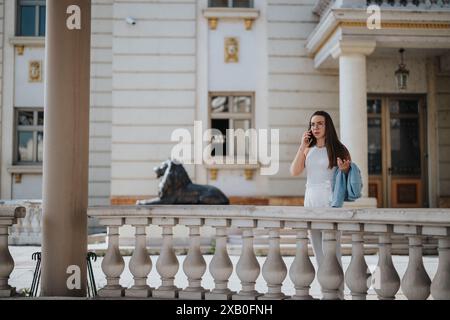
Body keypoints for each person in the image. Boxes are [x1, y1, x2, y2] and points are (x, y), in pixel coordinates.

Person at [290, 110, 351, 299]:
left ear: (328, 126)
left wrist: (345, 169)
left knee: (332, 251)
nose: (315, 127)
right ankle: (327, 291)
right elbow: (294, 171)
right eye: (312, 124)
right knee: (318, 251)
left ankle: (338, 293)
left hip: (330, 201)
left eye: (319, 124)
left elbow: (349, 178)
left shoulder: (340, 149)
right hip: (310, 201)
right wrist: (302, 146)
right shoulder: (308, 148)